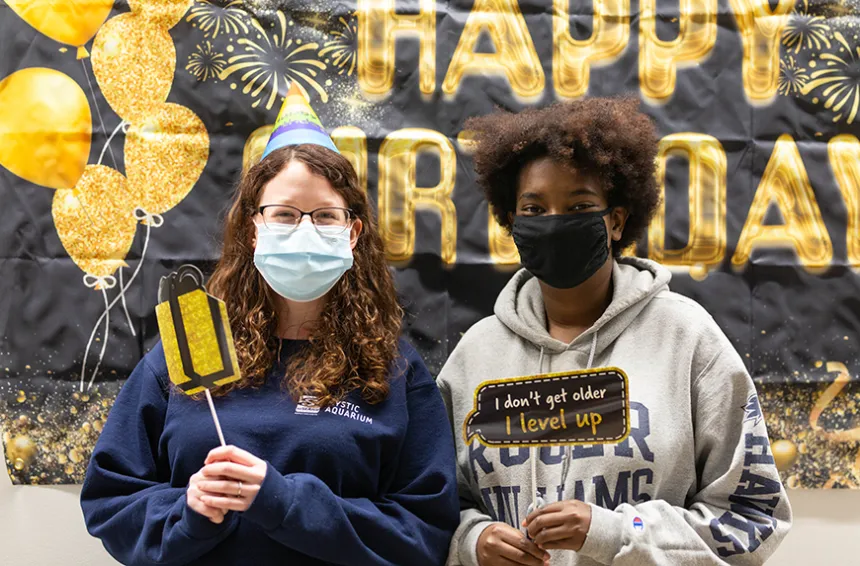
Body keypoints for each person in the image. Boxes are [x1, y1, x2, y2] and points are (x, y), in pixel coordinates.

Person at [80, 84, 459, 566]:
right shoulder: (191, 339)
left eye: (325, 216)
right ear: (253, 227)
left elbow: (424, 533)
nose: (304, 230)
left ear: (353, 231)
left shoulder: (394, 369)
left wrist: (284, 502)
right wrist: (188, 513)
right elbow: (111, 500)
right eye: (283, 215)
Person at [438, 97, 791, 566]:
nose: (555, 222)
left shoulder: (687, 339)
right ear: (513, 221)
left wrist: (615, 531)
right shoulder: (476, 355)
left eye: (579, 205)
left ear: (616, 220)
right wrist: (471, 540)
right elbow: (430, 504)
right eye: (534, 208)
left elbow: (752, 517)